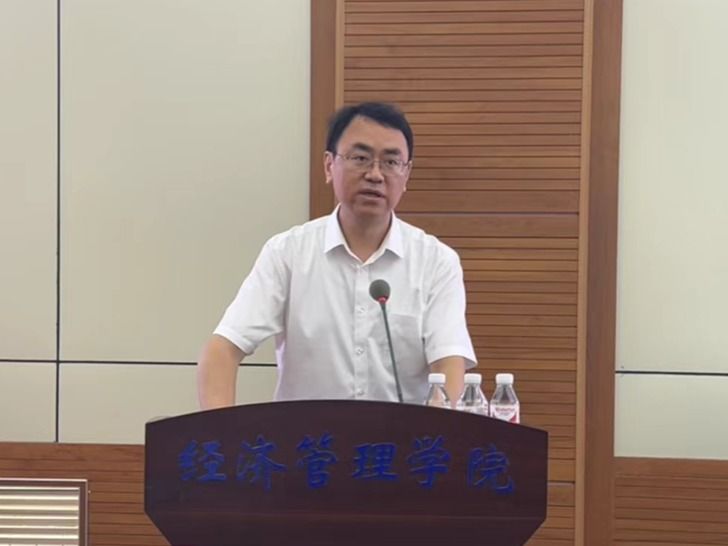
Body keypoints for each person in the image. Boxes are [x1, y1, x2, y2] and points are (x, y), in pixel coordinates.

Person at [197, 102, 475, 409]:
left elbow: (449, 363)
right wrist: (221, 434)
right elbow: (223, 350)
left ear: (406, 174)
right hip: (307, 439)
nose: (375, 175)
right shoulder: (287, 254)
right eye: (360, 158)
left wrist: (435, 432)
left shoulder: (436, 262)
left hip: (401, 439)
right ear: (329, 166)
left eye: (391, 162)